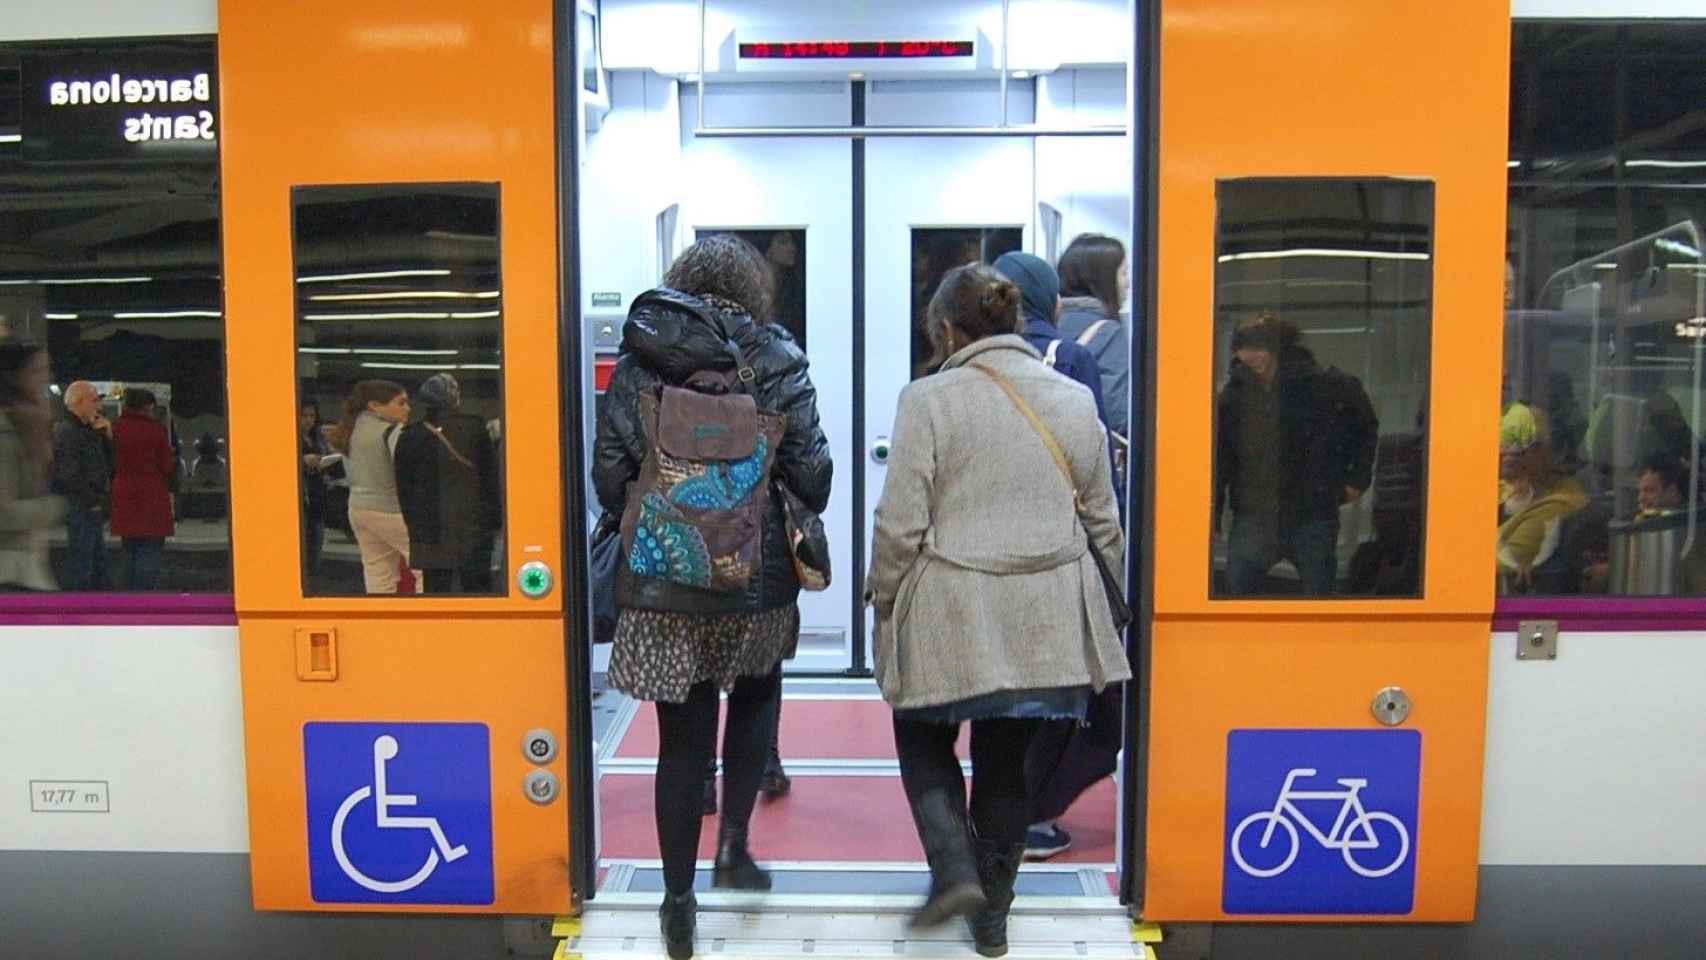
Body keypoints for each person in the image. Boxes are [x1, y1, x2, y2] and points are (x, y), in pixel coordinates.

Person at [868, 264, 1129, 957]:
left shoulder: (927, 399)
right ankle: (993, 921)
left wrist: (884, 594)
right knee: (1005, 762)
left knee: (921, 733)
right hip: (1045, 612)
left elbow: (900, 522)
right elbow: (1104, 521)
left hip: (948, 604)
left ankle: (953, 869)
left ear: (948, 330)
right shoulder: (1073, 400)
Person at [593, 235, 832, 960]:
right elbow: (814, 477)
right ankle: (734, 848)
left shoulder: (642, 359)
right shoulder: (779, 358)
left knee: (680, 740)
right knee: (757, 698)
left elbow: (609, 477)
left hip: (667, 576)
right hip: (757, 579)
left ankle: (676, 902)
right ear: (753, 289)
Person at [990, 251, 1119, 861]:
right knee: (1060, 693)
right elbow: (1095, 470)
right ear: (1050, 302)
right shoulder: (1072, 360)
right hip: (1058, 551)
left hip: (986, 555)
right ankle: (1028, 816)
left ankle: (995, 816)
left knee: (1002, 693)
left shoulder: (962, 369)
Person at [1214, 314, 1378, 596]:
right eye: (1245, 347)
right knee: (1235, 593)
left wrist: (1357, 479)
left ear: (1277, 349)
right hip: (1254, 513)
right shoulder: (1233, 397)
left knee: (1319, 597)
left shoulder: (1324, 387)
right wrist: (1212, 512)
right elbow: (1220, 458)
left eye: (1260, 347)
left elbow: (1364, 426)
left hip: (1312, 511)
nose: (1252, 356)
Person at [394, 374, 501, 594]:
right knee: (477, 589)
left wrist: (414, 525)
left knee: (436, 590)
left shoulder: (410, 436)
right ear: (455, 399)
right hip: (473, 526)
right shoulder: (474, 428)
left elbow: (404, 488)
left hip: (430, 529)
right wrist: (496, 520)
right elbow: (490, 478)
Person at [330, 380, 413, 595]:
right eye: (401, 403)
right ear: (374, 405)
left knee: (378, 574)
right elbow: (408, 472)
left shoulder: (349, 430)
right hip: (392, 510)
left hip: (358, 509)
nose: (408, 408)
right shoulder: (393, 431)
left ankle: (381, 624)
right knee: (425, 569)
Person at [1497, 402, 1587, 593]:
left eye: (1524, 442)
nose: (1510, 452)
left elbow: (1477, 566)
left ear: (1550, 452)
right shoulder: (1506, 491)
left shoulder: (1561, 502)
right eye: (1505, 440)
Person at [0, 341, 67, 591]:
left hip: (25, 568)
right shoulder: (5, 433)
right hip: (11, 573)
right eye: (37, 370)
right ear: (14, 377)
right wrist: (54, 507)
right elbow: (3, 512)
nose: (46, 378)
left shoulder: (29, 426)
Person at [1056, 234, 1132, 447]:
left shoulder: (1043, 325)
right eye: (1124, 273)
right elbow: (1116, 414)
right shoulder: (1108, 332)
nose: (1128, 283)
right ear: (1103, 278)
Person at [109, 389, 176, 590]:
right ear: (148, 406)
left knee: (129, 549)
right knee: (150, 550)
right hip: (151, 497)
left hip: (123, 496)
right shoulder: (156, 431)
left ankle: (127, 597)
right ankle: (144, 597)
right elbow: (166, 465)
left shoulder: (115, 429)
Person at [53, 381, 113, 590]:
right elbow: (69, 475)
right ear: (78, 403)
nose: (98, 406)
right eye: (94, 400)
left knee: (95, 562)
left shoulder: (86, 431)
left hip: (90, 505)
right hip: (82, 506)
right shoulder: (68, 432)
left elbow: (108, 465)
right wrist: (93, 500)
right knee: (83, 563)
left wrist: (106, 437)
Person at [300, 400, 332, 579]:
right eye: (304, 416)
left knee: (316, 539)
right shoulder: (291, 438)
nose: (308, 420)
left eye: (312, 416)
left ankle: (314, 574)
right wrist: (303, 461)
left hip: (317, 495)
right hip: (302, 496)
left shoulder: (317, 439)